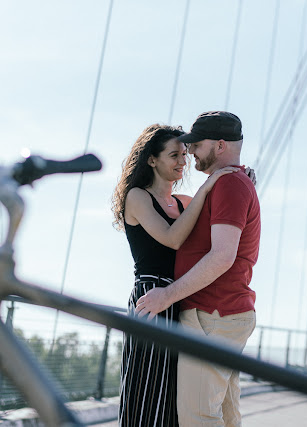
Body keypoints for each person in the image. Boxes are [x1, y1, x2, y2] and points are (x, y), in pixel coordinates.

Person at [135, 111, 261, 427]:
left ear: (220, 146)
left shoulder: (231, 184)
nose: (190, 153)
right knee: (226, 416)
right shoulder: (230, 182)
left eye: (196, 145)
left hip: (213, 315)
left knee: (198, 418)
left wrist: (167, 295)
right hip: (224, 314)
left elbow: (221, 257)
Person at [112, 123, 240, 427]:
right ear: (152, 160)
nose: (183, 161)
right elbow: (172, 238)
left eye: (185, 153)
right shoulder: (137, 197)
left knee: (173, 394)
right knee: (146, 390)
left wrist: (242, 181)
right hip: (152, 297)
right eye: (174, 155)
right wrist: (207, 187)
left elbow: (222, 220)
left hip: (180, 298)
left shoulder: (184, 203)